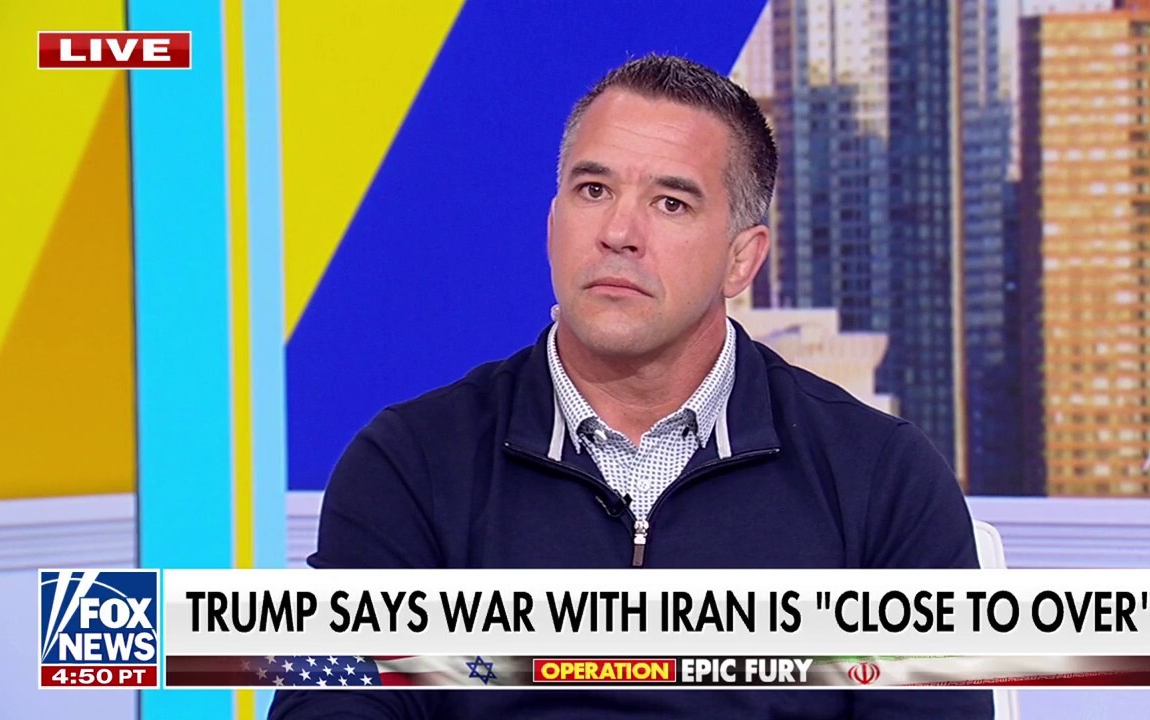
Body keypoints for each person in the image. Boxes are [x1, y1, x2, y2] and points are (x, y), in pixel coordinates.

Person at [271, 54, 991, 719]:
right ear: (553, 223)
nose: (619, 231)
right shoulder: (411, 464)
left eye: (671, 203)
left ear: (742, 260)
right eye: (594, 190)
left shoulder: (878, 478)